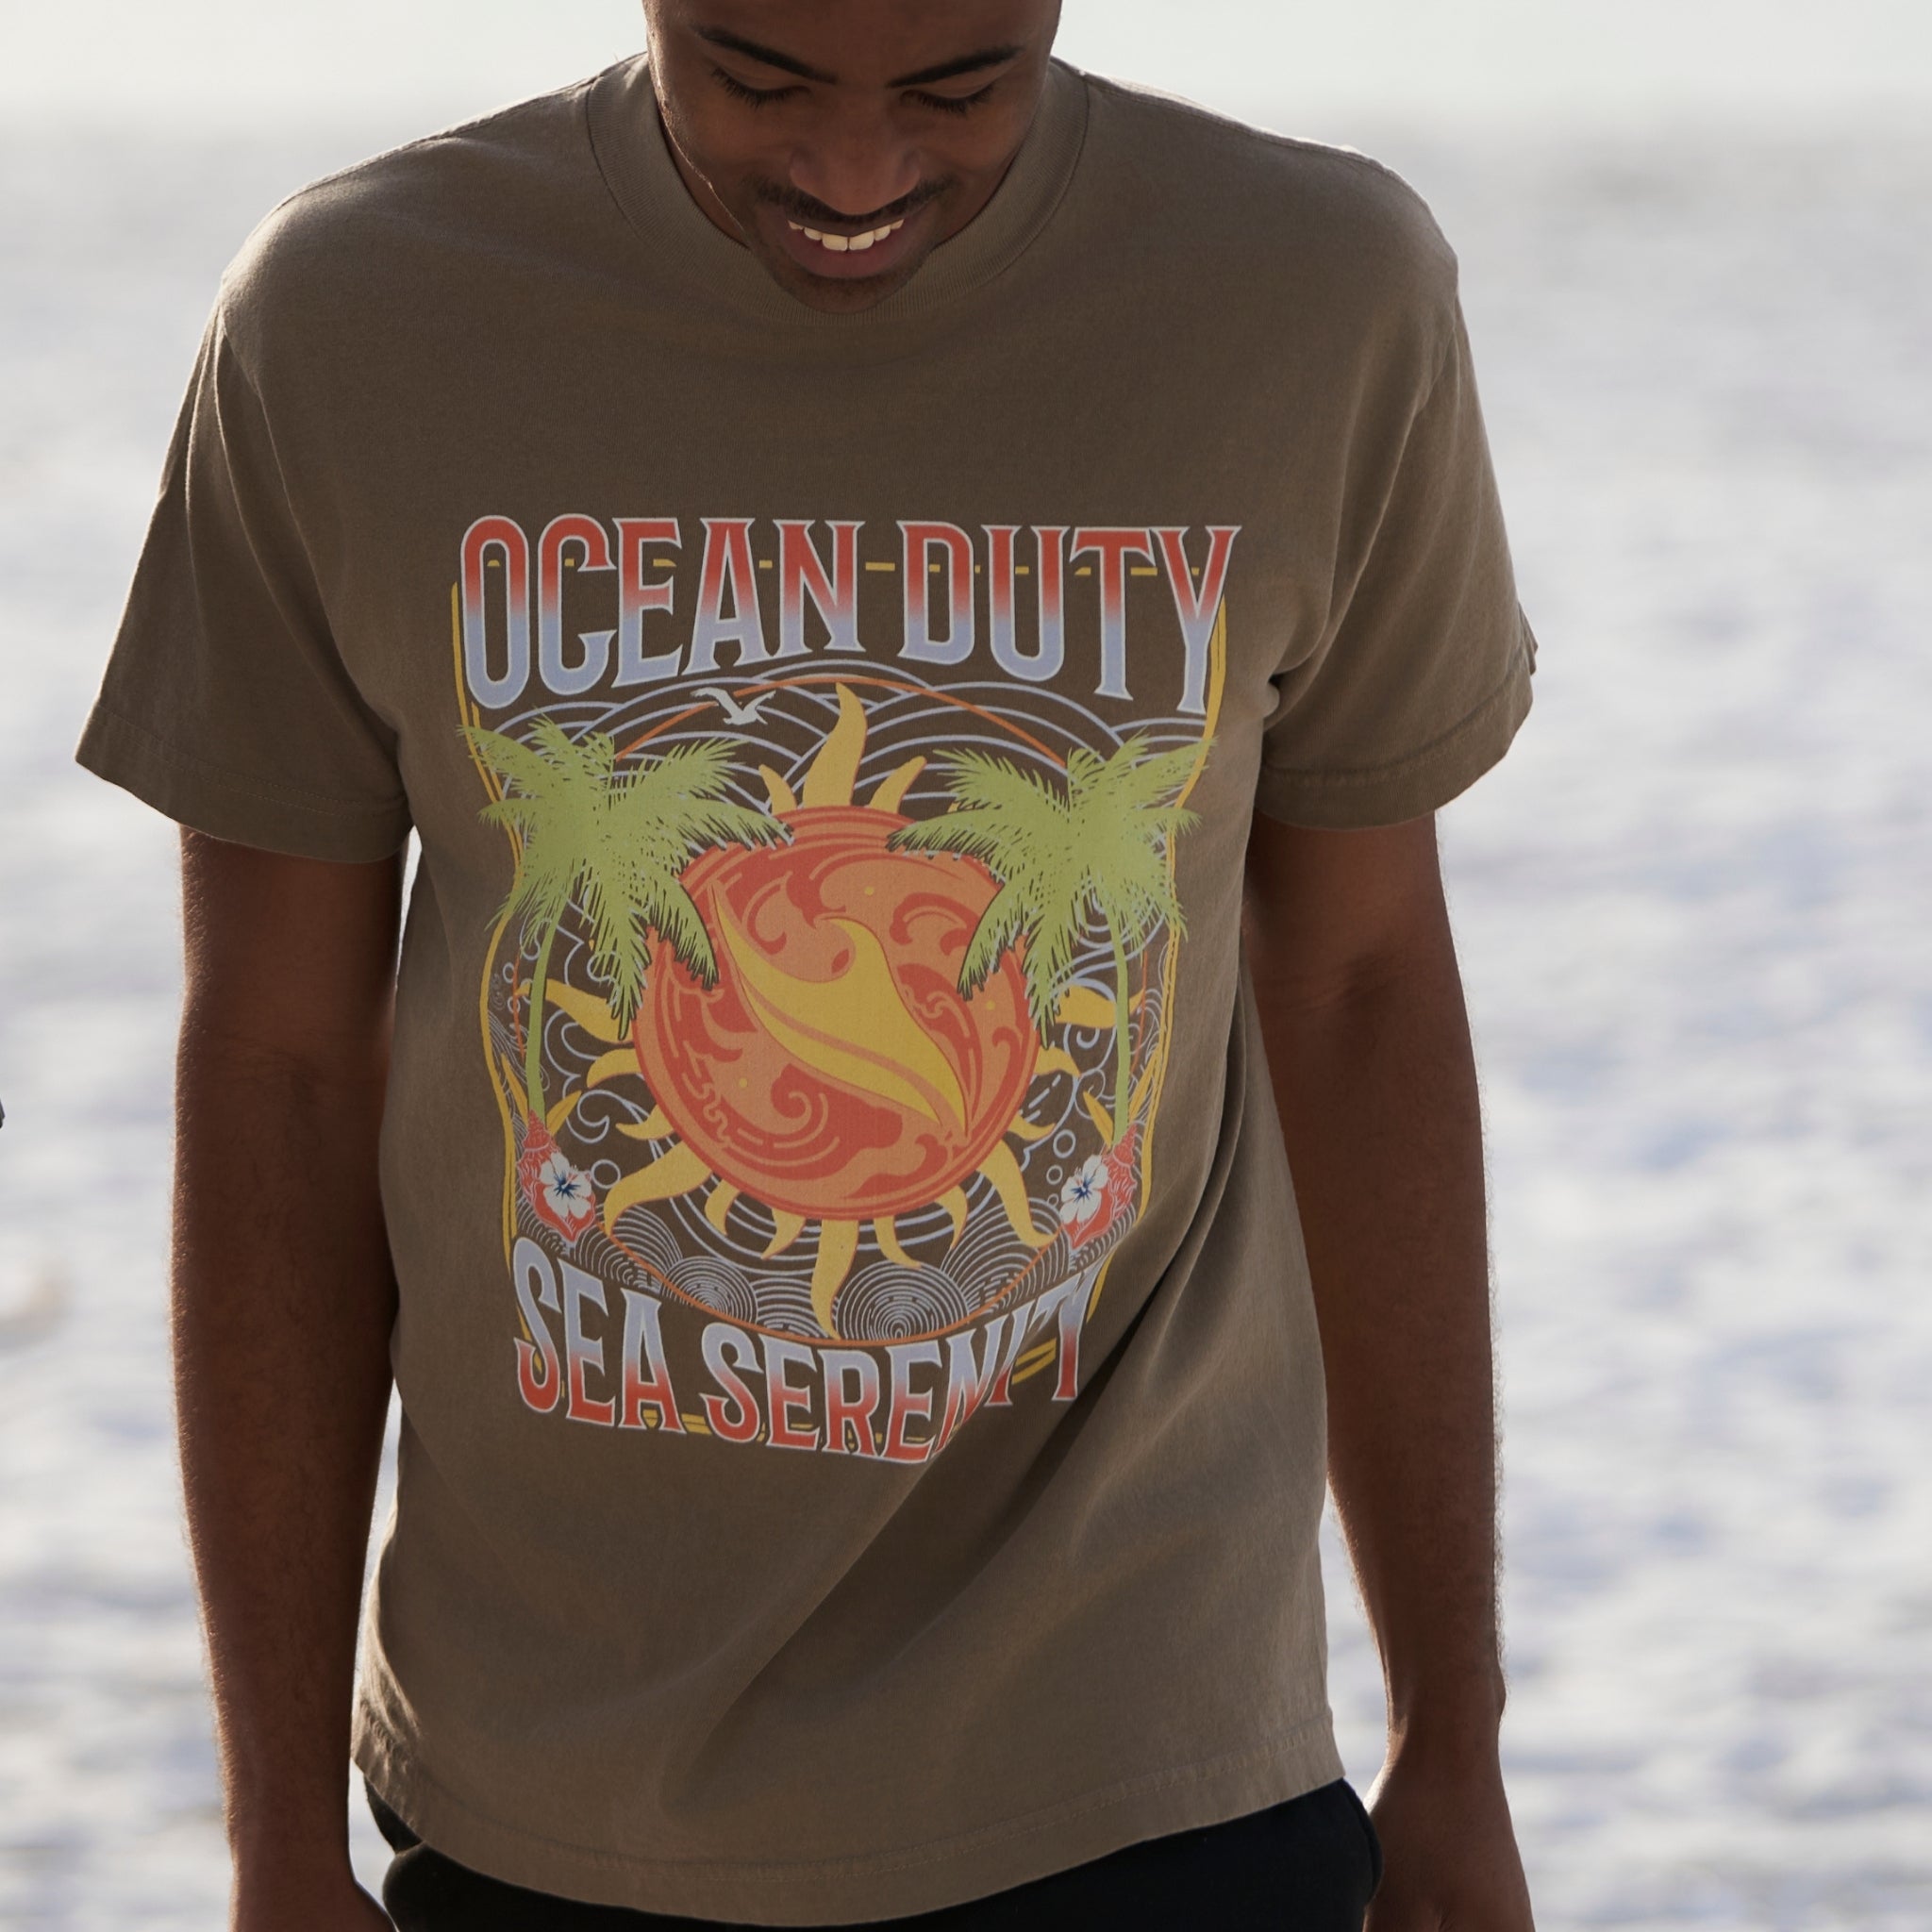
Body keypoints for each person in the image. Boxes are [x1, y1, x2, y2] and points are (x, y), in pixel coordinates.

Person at [75, 3, 1541, 1926]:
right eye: (757, 77)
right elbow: (278, 1069)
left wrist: (1454, 1737)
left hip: (1147, 1766)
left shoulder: (1313, 300)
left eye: (958, 87)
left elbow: (1357, 993)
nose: (855, 172)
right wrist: (274, 1833)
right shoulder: (355, 321)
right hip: (551, 1801)